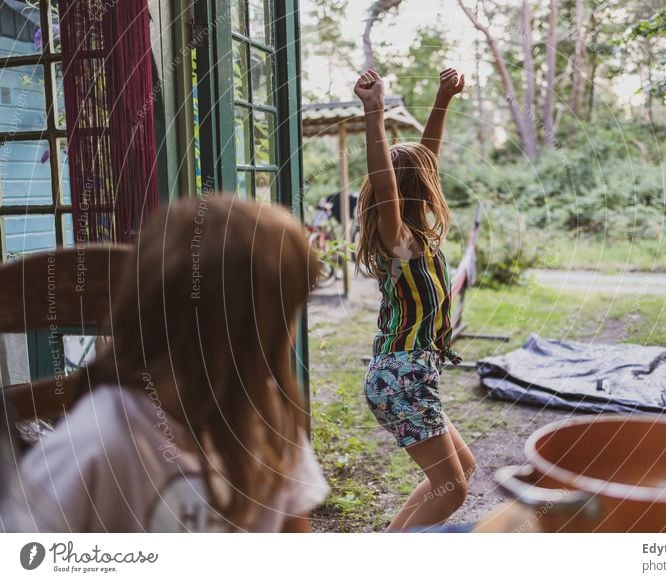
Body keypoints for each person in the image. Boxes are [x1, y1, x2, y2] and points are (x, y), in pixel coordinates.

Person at [17, 196, 329, 532]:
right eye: (286, 313)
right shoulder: (97, 443)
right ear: (237, 333)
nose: (293, 331)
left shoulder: (269, 416)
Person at [354, 68, 476, 530]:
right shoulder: (398, 238)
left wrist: (444, 96)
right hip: (400, 376)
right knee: (453, 488)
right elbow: (386, 183)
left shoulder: (418, 238)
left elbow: (426, 158)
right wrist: (373, 110)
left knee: (461, 471)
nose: (433, 181)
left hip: (406, 372)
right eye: (424, 179)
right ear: (415, 191)